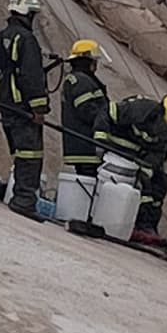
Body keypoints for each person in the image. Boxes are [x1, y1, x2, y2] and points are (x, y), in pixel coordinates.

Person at [0, 0, 49, 219]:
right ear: (27, 14)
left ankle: (21, 198)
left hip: (7, 105)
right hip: (23, 107)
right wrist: (38, 108)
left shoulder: (2, 37)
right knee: (31, 154)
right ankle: (23, 201)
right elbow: (32, 76)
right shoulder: (26, 39)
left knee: (22, 153)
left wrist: (1, 86)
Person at [95, 93, 167, 246]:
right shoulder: (139, 109)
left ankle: (147, 225)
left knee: (159, 185)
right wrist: (100, 139)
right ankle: (133, 222)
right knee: (140, 186)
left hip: (142, 156)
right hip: (118, 149)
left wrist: (149, 168)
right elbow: (107, 112)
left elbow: (161, 152)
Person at [58, 39, 110, 237]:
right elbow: (87, 110)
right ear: (88, 61)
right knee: (89, 181)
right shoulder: (81, 81)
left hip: (81, 142)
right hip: (86, 143)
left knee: (87, 180)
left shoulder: (78, 79)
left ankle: (83, 217)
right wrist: (108, 119)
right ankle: (83, 219)